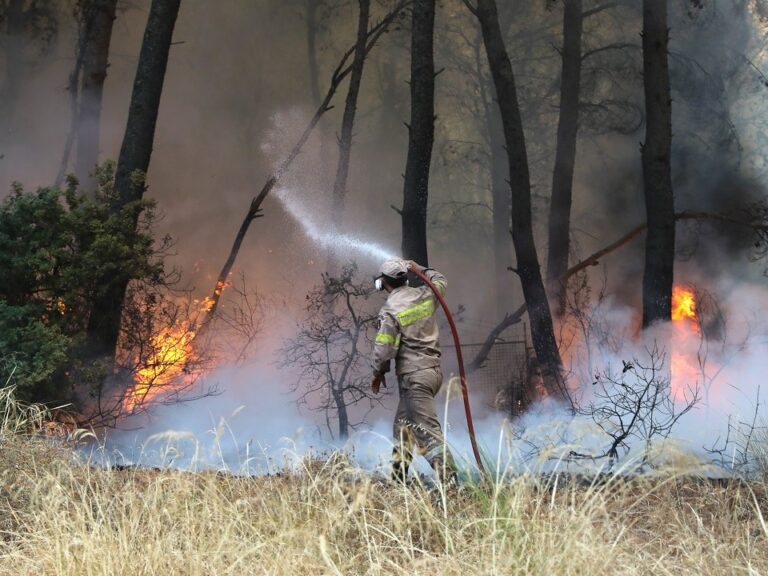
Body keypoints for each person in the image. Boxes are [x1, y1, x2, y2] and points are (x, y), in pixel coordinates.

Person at [370, 258, 457, 485]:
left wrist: (378, 372)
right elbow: (441, 280)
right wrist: (419, 268)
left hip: (414, 379)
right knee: (403, 428)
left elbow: (384, 347)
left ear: (384, 282)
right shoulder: (425, 295)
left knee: (426, 432)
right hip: (432, 374)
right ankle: (398, 480)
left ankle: (451, 484)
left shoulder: (390, 309)